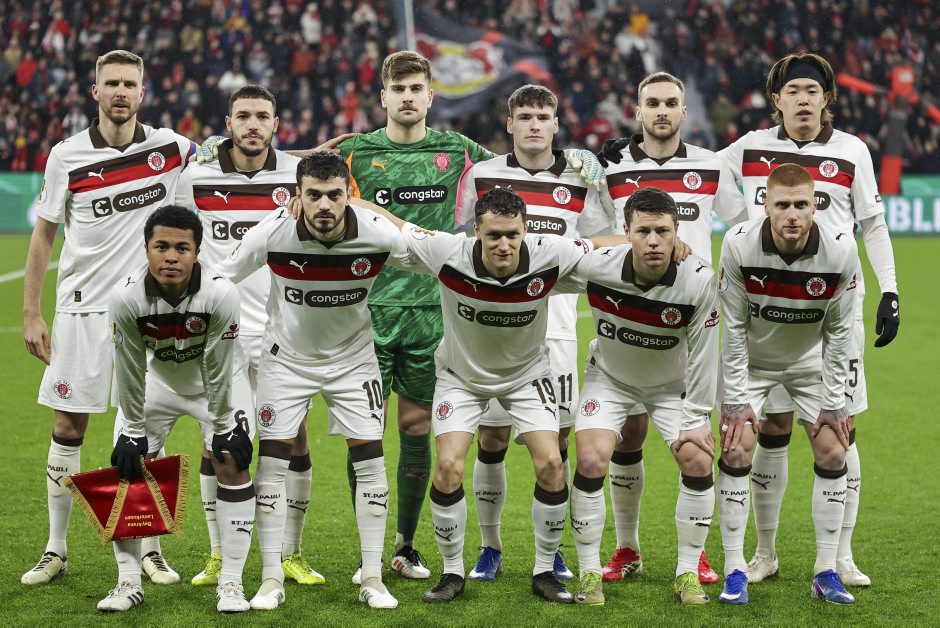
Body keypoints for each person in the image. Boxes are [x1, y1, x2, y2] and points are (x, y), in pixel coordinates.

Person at [357, 187, 629, 604]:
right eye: (494, 236)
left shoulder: (551, 252)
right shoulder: (449, 252)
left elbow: (599, 244)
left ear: (525, 231)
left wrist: (660, 241)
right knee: (448, 465)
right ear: (476, 232)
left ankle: (544, 570)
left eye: (512, 235)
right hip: (461, 378)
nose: (504, 244)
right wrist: (348, 200)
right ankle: (451, 572)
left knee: (551, 463)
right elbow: (395, 225)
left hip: (527, 376)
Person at [718, 52, 898, 587]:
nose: (802, 99)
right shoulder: (750, 147)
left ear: (826, 99)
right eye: (792, 91)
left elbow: (873, 224)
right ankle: (764, 553)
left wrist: (890, 289)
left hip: (832, 310)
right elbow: (698, 169)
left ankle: (840, 556)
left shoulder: (852, 150)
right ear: (776, 100)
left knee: (840, 429)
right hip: (768, 309)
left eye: (812, 91)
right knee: (770, 430)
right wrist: (741, 222)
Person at [22, 49, 196, 586]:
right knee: (68, 426)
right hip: (81, 310)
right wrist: (31, 312)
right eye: (111, 83)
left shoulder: (170, 148)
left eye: (129, 84)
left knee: (148, 433)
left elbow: (238, 148)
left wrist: (309, 154)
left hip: (148, 314)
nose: (120, 92)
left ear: (143, 93)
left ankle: (149, 549)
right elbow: (44, 235)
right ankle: (56, 549)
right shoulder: (66, 155)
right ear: (95, 91)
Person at [215, 152, 401, 610]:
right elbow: (218, 278)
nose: (324, 205)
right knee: (273, 464)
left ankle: (373, 577)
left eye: (334, 195)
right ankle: (271, 578)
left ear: (348, 195)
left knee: (370, 460)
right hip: (286, 362)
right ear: (297, 196)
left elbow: (437, 257)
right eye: (313, 195)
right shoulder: (272, 232)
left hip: (354, 361)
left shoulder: (376, 234)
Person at [334, 50, 494, 582]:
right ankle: (369, 553)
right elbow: (296, 169)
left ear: (430, 95)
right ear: (383, 96)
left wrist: (579, 160)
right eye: (397, 88)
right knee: (366, 431)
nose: (407, 97)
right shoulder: (355, 151)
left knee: (416, 425)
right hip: (367, 312)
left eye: (415, 88)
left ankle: (404, 544)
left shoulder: (459, 150)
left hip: (432, 311)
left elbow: (520, 165)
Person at [454, 84, 616, 582]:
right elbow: (461, 242)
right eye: (524, 116)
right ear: (509, 124)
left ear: (556, 124)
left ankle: (553, 549)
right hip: (495, 328)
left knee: (557, 442)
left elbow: (600, 241)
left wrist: (600, 182)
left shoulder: (579, 177)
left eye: (543, 117)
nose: (533, 125)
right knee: (493, 435)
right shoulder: (482, 175)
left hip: (558, 327)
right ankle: (490, 546)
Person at [594, 71, 744, 584]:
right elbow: (594, 232)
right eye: (652, 103)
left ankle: (695, 553)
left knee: (698, 442)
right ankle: (626, 548)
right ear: (637, 112)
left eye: (671, 102)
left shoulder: (710, 164)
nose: (661, 111)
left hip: (694, 320)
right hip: (629, 314)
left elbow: (743, 224)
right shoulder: (613, 166)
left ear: (684, 111)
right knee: (628, 436)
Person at [176, 84, 324, 588]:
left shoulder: (297, 176)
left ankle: (291, 552)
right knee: (216, 443)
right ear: (228, 123)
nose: (253, 125)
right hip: (219, 331)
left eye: (263, 116)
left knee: (293, 437)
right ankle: (219, 554)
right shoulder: (196, 177)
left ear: (276, 124)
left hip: (283, 329)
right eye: (243, 116)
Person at [562, 187, 719, 606]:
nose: (653, 241)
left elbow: (706, 355)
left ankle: (687, 573)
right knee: (590, 460)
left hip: (670, 386)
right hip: (610, 379)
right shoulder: (598, 265)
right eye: (643, 231)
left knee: (698, 459)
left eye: (662, 232)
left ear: (677, 231)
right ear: (626, 231)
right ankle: (590, 573)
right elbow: (546, 261)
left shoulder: (698, 279)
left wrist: (697, 416)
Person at [716, 163, 858, 605]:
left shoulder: (840, 249)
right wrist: (735, 400)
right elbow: (733, 328)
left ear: (815, 206)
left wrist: (834, 401)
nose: (792, 214)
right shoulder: (738, 243)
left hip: (809, 362)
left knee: (834, 448)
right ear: (765, 205)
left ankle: (826, 570)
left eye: (801, 205)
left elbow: (839, 331)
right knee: (736, 447)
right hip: (754, 363)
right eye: (782, 205)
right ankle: (735, 568)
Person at [103, 205, 253, 613]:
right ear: (147, 249)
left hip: (216, 385)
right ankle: (127, 582)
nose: (171, 256)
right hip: (158, 382)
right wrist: (133, 430)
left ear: (197, 252)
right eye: (161, 246)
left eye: (182, 248)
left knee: (230, 460)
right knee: (129, 466)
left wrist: (224, 424)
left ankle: (232, 583)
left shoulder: (221, 293)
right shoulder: (125, 297)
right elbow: (129, 367)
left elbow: (218, 365)